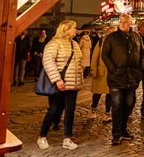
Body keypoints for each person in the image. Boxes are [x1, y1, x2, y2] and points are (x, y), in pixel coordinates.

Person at [37, 20, 84, 150]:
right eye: (73, 28)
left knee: (70, 111)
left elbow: (79, 61)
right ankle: (42, 136)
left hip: (72, 84)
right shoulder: (54, 43)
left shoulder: (74, 44)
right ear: (65, 29)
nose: (75, 30)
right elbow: (48, 62)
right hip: (59, 83)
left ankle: (67, 138)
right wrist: (57, 80)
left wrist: (80, 72)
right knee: (53, 110)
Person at [101, 13, 144, 145]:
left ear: (130, 23)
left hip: (132, 77)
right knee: (117, 105)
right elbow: (105, 54)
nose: (122, 24)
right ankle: (116, 133)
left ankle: (123, 129)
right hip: (116, 77)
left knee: (128, 104)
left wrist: (139, 68)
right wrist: (114, 69)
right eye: (121, 21)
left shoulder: (136, 37)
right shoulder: (112, 37)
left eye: (125, 21)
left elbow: (143, 52)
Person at [90, 26, 116, 122]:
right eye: (110, 32)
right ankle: (93, 108)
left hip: (111, 73)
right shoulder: (101, 42)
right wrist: (93, 70)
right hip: (101, 71)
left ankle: (107, 112)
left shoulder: (117, 43)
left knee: (110, 94)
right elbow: (95, 56)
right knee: (97, 93)